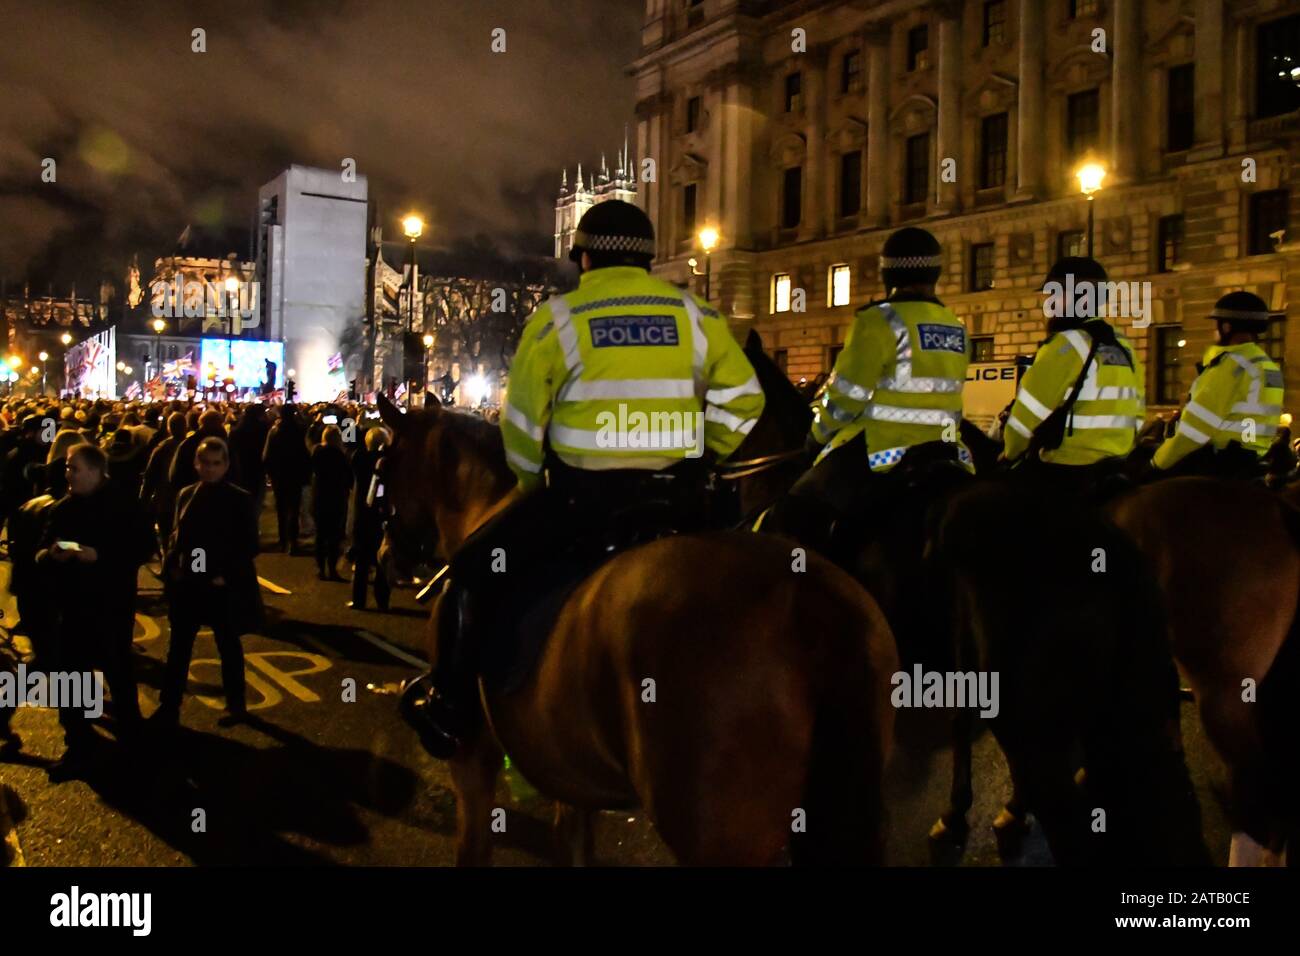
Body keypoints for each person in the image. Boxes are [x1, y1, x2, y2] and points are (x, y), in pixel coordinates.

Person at [404, 199, 765, 757]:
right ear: (648, 258)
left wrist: (527, 481)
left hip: (582, 503)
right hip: (678, 502)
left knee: (471, 575)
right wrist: (704, 456)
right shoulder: (697, 315)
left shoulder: (557, 319)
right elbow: (745, 401)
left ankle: (449, 710)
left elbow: (522, 426)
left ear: (584, 257)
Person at [761, 227, 971, 549]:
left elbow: (847, 397)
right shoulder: (955, 327)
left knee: (794, 510)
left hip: (883, 453)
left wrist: (816, 437)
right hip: (947, 451)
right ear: (935, 273)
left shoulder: (878, 321)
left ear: (888, 274)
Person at [35, 444, 154, 779]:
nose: (67, 474)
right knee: (72, 678)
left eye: (74, 468)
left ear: (95, 471)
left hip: (111, 606)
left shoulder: (124, 504)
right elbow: (41, 551)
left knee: (118, 672)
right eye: (68, 469)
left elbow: (143, 548)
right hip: (72, 607)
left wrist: (100, 556)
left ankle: (134, 744)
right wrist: (51, 555)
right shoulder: (63, 508)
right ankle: (78, 745)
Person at [1001, 256, 1145, 497]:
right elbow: (1138, 412)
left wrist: (1010, 452)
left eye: (1053, 295)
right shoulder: (1123, 345)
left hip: (1069, 468)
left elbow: (1027, 415)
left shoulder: (1065, 344)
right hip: (1118, 464)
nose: (1049, 304)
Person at [155, 437, 262, 728]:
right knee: (179, 647)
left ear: (226, 465)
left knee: (227, 646)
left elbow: (249, 544)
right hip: (189, 583)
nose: (210, 469)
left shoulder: (239, 499)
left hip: (219, 585)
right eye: (205, 463)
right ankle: (169, 705)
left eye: (216, 464)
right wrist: (174, 566)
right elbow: (177, 535)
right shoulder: (186, 494)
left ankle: (236, 705)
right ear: (196, 463)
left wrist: (224, 575)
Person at [1151, 291, 1284, 479]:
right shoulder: (1268, 366)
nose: (1214, 330)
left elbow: (1196, 427)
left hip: (1218, 463)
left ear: (1227, 327)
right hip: (1254, 461)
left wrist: (1157, 462)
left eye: (1216, 324)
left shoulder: (1231, 365)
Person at [347, 425, 391, 611]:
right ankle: (382, 600)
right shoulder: (388, 461)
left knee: (362, 559)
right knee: (383, 560)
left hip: (363, 513)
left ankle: (359, 599)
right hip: (383, 512)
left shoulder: (359, 457)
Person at [263, 404, 311, 553]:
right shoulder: (300, 430)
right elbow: (306, 453)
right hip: (295, 474)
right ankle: (293, 540)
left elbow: (266, 455)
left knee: (281, 508)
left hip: (279, 474)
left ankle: (283, 539)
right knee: (294, 508)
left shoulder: (274, 431)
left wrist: (269, 472)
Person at [310, 423, 353, 580]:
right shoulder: (340, 456)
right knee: (334, 536)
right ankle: (332, 568)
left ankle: (320, 568)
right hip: (336, 498)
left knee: (320, 535)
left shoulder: (316, 452)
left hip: (319, 497)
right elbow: (349, 478)